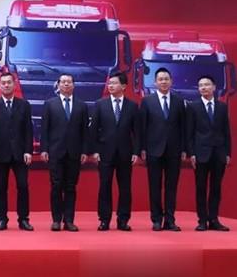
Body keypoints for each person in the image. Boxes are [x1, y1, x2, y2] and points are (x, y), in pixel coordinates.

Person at [89, 71, 140, 231]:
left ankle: (123, 220)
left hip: (126, 153)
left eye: (114, 83)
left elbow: (137, 132)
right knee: (105, 186)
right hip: (105, 152)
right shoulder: (100, 104)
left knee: (125, 188)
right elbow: (93, 130)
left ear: (123, 86)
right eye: (109, 83)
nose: (110, 86)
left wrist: (136, 152)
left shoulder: (132, 106)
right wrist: (95, 151)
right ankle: (104, 219)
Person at [0, 72, 34, 231]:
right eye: (3, 83)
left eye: (9, 82)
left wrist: (28, 151)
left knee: (23, 186)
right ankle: (2, 219)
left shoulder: (24, 105)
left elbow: (28, 130)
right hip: (0, 154)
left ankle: (23, 219)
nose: (6, 85)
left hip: (20, 153)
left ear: (14, 84)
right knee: (1, 188)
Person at [40, 73, 88, 232]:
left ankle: (69, 221)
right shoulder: (50, 104)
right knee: (56, 186)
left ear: (74, 85)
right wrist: (44, 149)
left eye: (69, 82)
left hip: (74, 152)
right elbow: (45, 129)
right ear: (58, 85)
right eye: (63, 82)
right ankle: (56, 220)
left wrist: (84, 151)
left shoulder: (81, 105)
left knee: (71, 187)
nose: (66, 84)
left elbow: (84, 131)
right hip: (55, 151)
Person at [140, 67, 186, 232]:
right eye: (160, 79)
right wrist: (142, 148)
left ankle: (170, 220)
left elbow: (184, 127)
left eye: (166, 79)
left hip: (174, 150)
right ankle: (157, 220)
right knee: (155, 186)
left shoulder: (179, 101)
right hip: (153, 150)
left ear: (171, 81)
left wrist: (184, 149)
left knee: (171, 187)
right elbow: (142, 127)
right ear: (155, 82)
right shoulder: (147, 101)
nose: (164, 82)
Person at [187, 75, 231, 232]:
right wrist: (191, 153)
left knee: (216, 188)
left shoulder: (222, 107)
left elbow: (226, 132)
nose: (203, 87)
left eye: (206, 84)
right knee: (201, 188)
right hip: (201, 153)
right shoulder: (193, 107)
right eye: (200, 85)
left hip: (219, 153)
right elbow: (189, 132)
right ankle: (202, 220)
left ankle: (214, 219)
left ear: (214, 87)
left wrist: (228, 153)